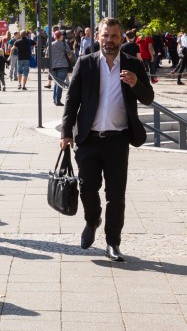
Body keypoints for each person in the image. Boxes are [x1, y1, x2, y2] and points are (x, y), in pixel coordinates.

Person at [61, 18, 153, 262]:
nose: (109, 41)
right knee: (87, 187)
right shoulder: (86, 63)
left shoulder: (133, 64)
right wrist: (66, 133)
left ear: (121, 38)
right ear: (98, 37)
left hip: (118, 140)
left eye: (114, 36)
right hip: (88, 139)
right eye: (105, 36)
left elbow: (148, 98)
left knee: (116, 194)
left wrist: (136, 84)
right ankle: (92, 220)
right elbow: (72, 101)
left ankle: (113, 243)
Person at [46, 30, 74, 106]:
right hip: (63, 65)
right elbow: (69, 55)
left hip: (53, 66)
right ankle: (58, 100)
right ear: (60, 36)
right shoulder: (64, 44)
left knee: (56, 83)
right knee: (60, 83)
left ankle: (55, 99)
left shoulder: (50, 45)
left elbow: (47, 55)